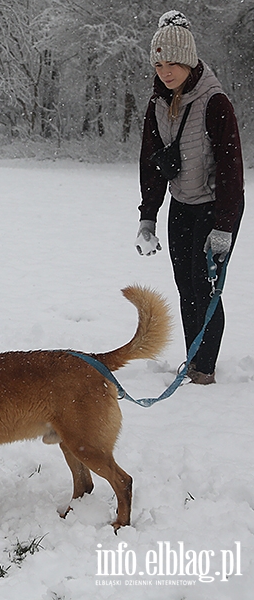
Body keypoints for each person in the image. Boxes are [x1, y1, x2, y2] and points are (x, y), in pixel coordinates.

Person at [136, 11, 244, 384]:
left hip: (217, 206)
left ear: (190, 61)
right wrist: (148, 216)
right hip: (183, 204)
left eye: (174, 63)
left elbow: (232, 169)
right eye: (160, 63)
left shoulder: (215, 103)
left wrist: (225, 226)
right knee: (186, 287)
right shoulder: (156, 105)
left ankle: (205, 370)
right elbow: (151, 164)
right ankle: (193, 356)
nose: (166, 71)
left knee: (206, 286)